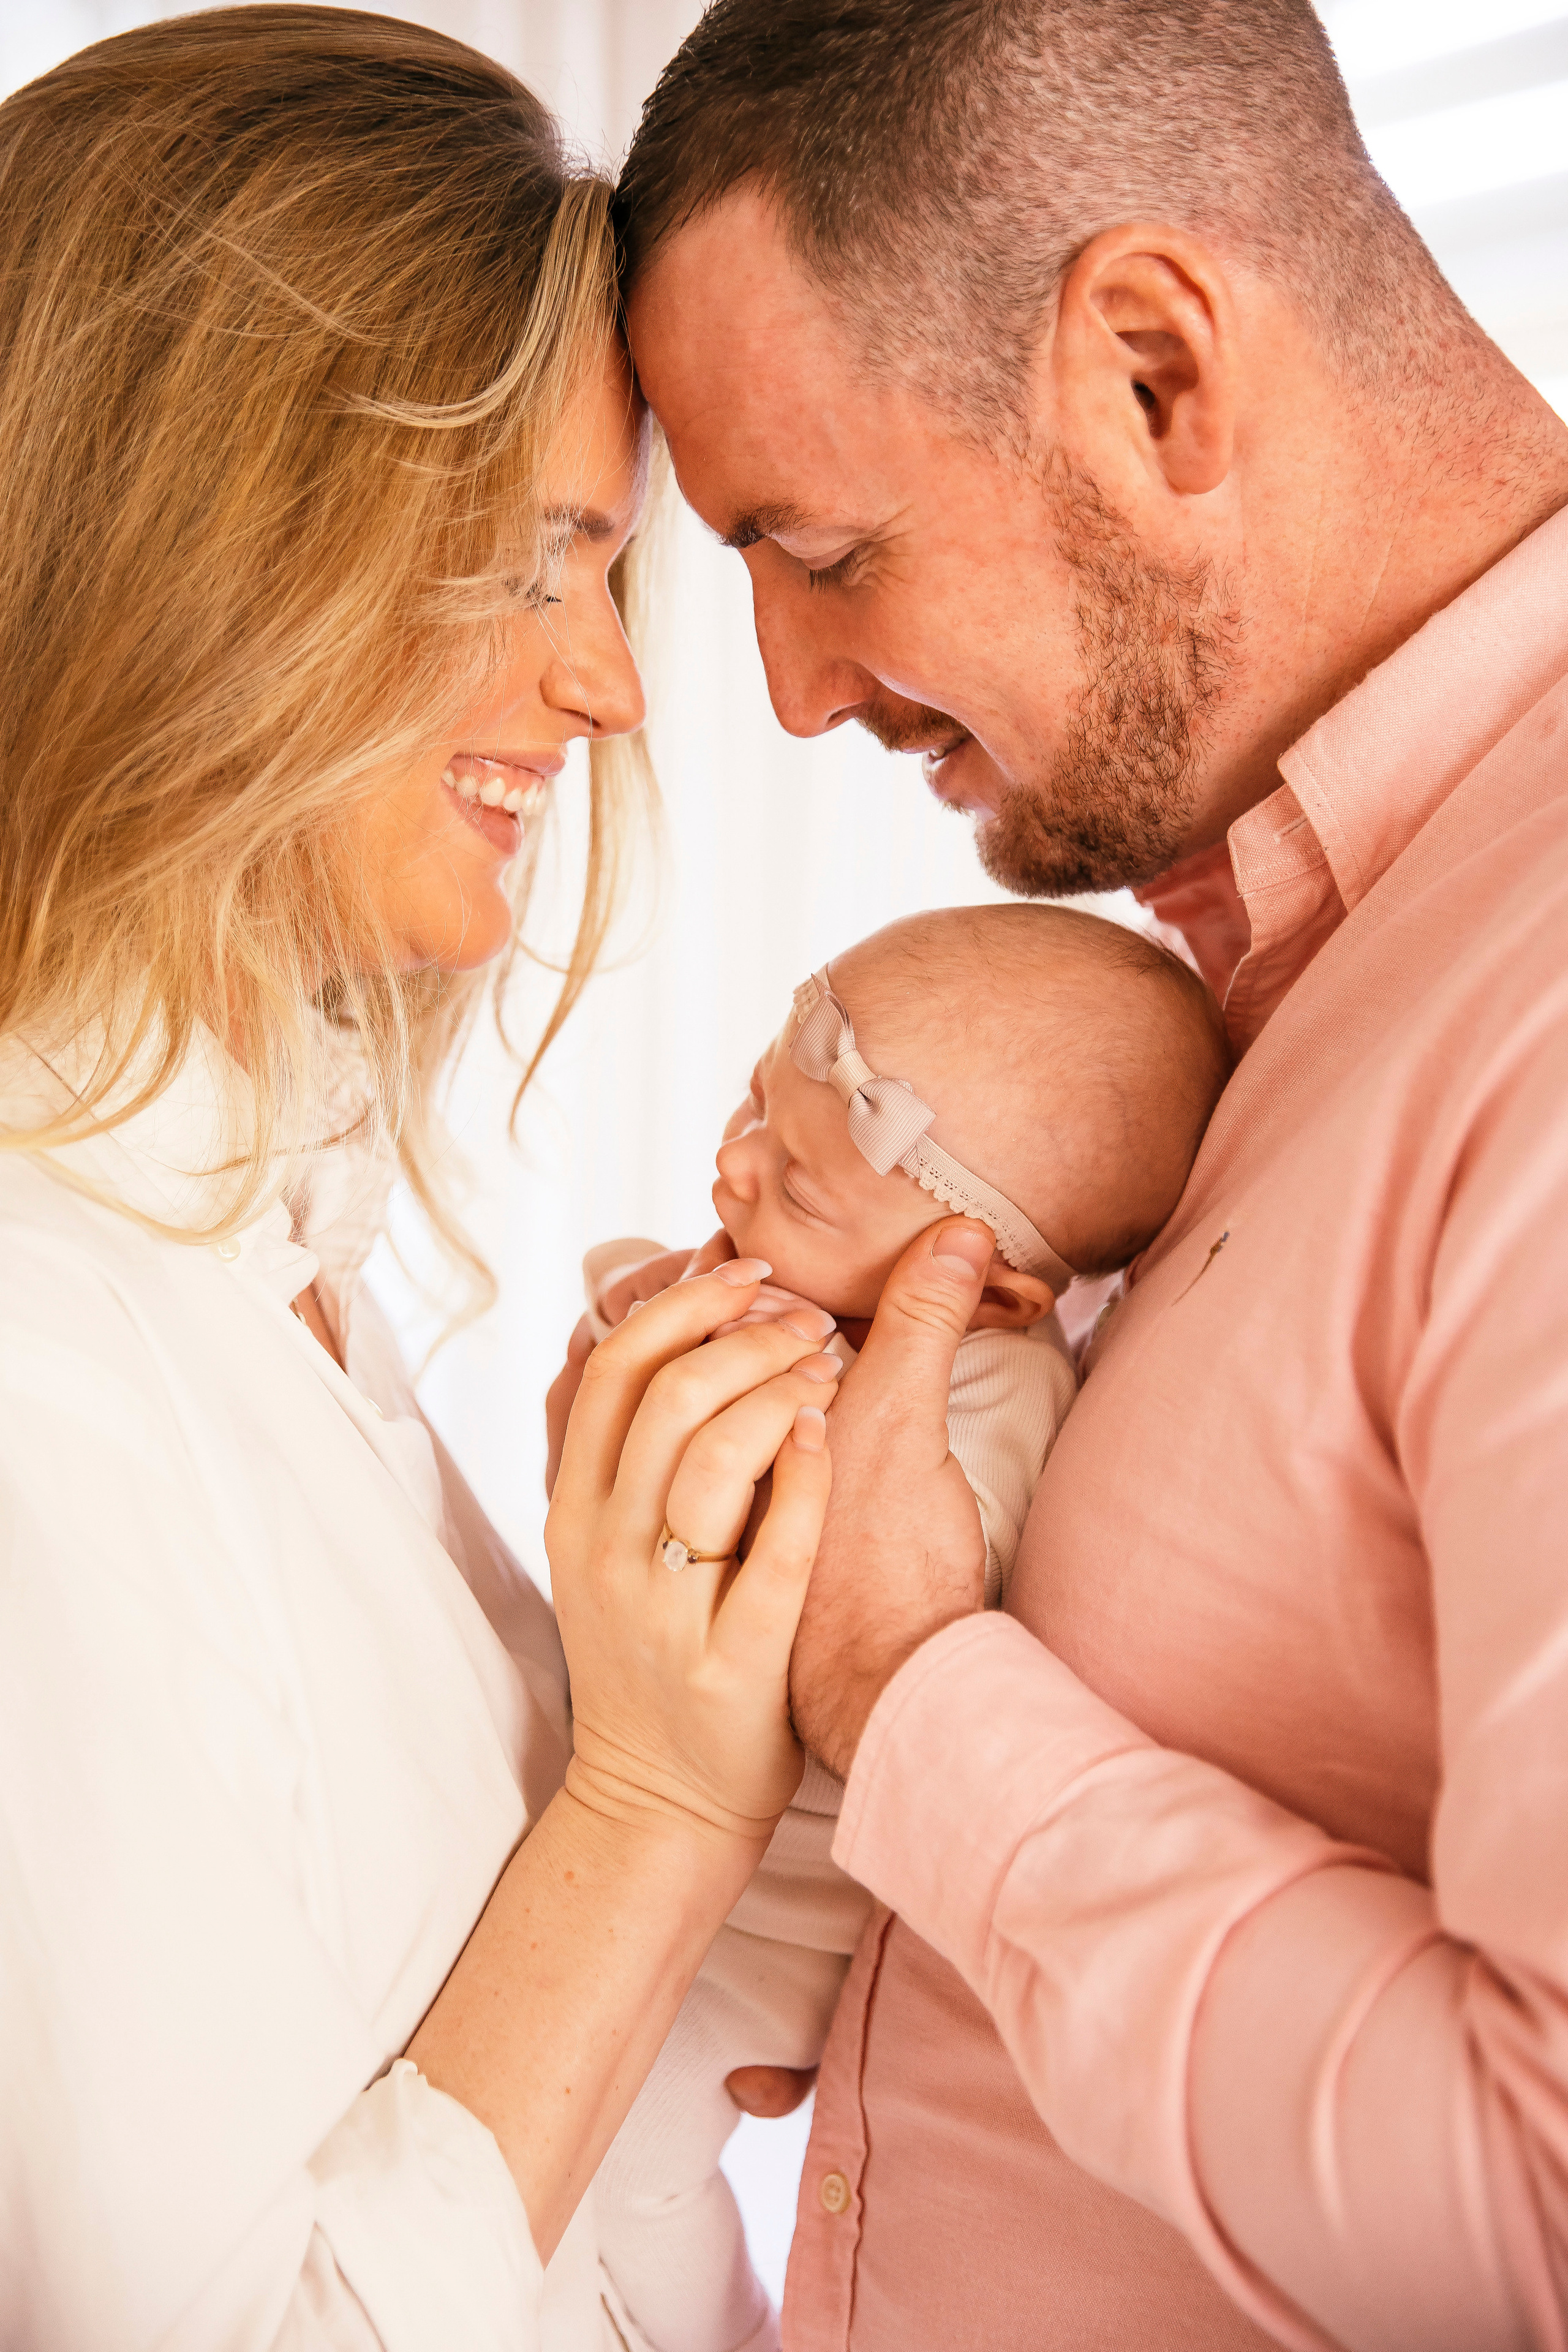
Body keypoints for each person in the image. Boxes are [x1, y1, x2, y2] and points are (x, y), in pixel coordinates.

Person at [601, 1, 1568, 2345]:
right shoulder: (1278, 977)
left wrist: (918, 1694)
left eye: (819, 549)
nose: (791, 692)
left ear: (1154, 370)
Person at [0, 13, 846, 2350]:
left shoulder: (271, 1269)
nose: (614, 691)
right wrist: (653, 1807)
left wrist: (805, 1615)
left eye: (609, 575)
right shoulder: (41, 1354)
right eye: (531, 563)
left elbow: (554, 2068)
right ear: (204, 554)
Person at [588, 904, 1229, 2352]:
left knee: (621, 2153)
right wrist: (638, 1315)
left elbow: (915, 1592)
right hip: (682, 1834)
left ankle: (718, 2329)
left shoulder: (992, 1403)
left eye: (800, 1186)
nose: (731, 1162)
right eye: (758, 1098)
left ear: (984, 1287)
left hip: (776, 1904)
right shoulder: (807, 1307)